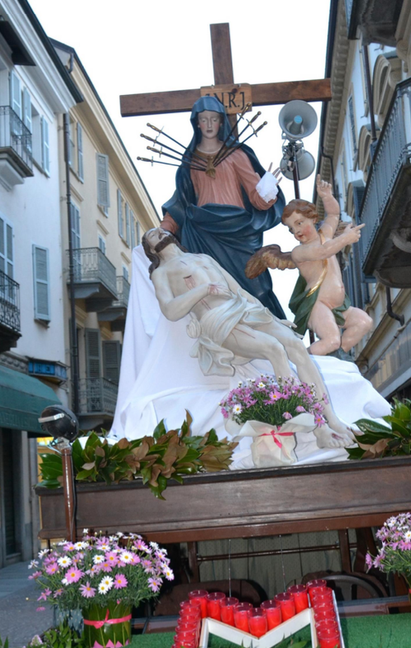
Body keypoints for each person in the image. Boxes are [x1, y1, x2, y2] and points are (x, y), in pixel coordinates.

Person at [142, 227, 355, 448]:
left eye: (159, 230)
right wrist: (203, 290)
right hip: (218, 319)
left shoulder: (203, 257)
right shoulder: (162, 272)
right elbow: (170, 310)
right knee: (274, 349)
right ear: (152, 250)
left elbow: (237, 289)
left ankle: (333, 419)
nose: (158, 232)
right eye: (152, 235)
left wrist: (272, 316)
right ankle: (318, 429)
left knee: (295, 345)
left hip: (244, 308)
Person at [160, 95, 286, 318]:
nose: (209, 124)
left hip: (238, 230)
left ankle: (273, 328)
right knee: (212, 293)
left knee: (257, 289)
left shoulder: (236, 155)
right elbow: (181, 201)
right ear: (197, 123)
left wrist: (267, 191)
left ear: (221, 122)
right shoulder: (189, 162)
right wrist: (164, 229)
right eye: (204, 119)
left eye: (214, 119)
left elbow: (255, 197)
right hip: (203, 231)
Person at [245, 177, 373, 357]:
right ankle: (298, 361)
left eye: (299, 223)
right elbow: (323, 252)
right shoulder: (299, 252)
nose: (296, 231)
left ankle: (336, 358)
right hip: (317, 305)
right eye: (291, 228)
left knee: (364, 322)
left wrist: (327, 196)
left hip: (338, 306)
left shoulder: (325, 234)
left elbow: (333, 215)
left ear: (313, 218)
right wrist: (346, 238)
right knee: (331, 340)